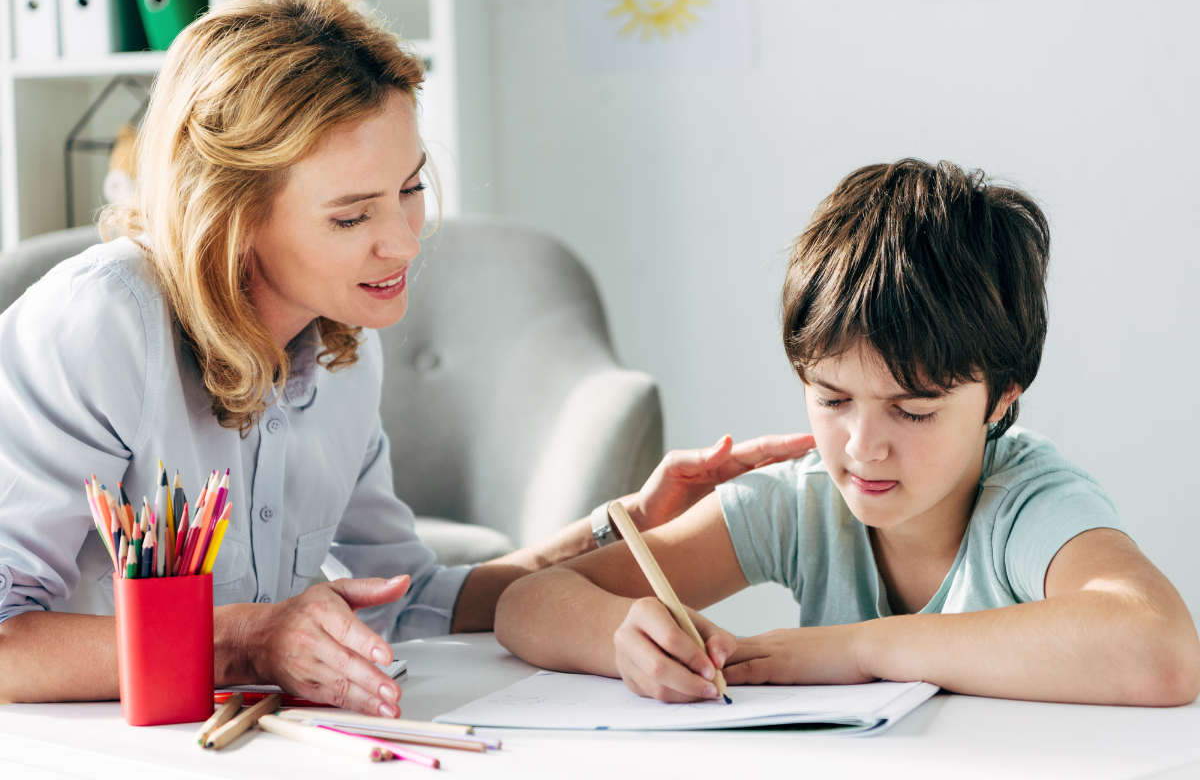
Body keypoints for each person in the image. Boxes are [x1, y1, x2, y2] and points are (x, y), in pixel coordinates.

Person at [0, 0, 815, 715]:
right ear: (231, 214)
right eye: (351, 218)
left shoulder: (343, 345)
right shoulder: (99, 326)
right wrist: (247, 640)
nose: (402, 243)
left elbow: (411, 599)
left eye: (412, 188)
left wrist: (619, 529)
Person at [495, 159, 1200, 707]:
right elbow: (527, 603)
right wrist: (621, 638)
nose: (863, 447)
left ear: (999, 400)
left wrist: (859, 649)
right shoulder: (801, 501)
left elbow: (1159, 646)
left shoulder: (1028, 504)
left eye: (913, 410)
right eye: (832, 399)